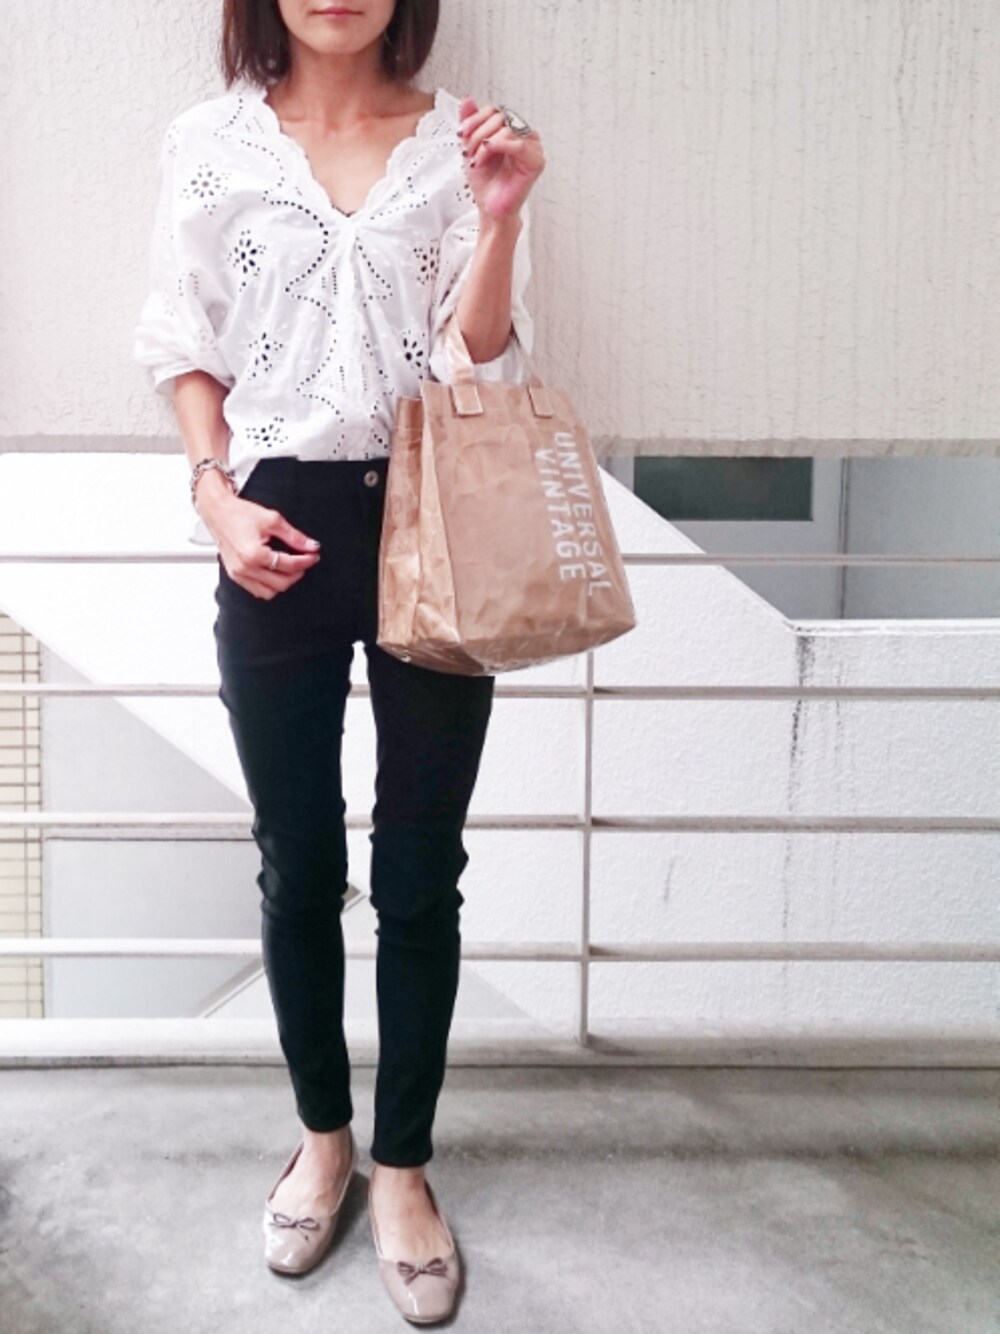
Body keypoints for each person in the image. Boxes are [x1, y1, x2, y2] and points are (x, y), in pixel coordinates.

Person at [132, 0, 544, 1322]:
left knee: (420, 868)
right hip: (275, 525)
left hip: (434, 515)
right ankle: (323, 1139)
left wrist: (500, 216)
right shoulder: (211, 144)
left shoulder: (458, 141)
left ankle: (404, 1165)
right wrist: (214, 499)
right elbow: (185, 341)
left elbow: (477, 361)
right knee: (298, 859)